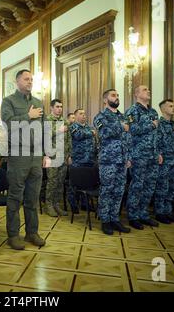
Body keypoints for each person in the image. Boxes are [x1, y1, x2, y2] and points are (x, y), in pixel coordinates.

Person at [1, 69, 48, 250]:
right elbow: (8, 124)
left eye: (31, 79)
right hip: (18, 154)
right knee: (15, 196)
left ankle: (31, 232)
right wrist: (28, 116)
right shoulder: (8, 101)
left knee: (32, 197)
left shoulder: (38, 102)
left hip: (36, 156)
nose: (30, 82)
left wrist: (44, 153)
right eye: (26, 79)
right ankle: (13, 235)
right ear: (17, 81)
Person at [93, 89, 131, 235]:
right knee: (107, 190)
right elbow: (103, 134)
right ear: (105, 100)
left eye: (118, 95)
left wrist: (128, 157)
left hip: (122, 160)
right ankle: (105, 220)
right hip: (108, 159)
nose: (117, 97)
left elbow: (128, 138)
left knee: (119, 190)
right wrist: (120, 126)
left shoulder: (123, 116)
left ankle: (114, 218)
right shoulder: (101, 117)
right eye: (113, 95)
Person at [125, 85, 161, 230]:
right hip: (138, 154)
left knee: (149, 186)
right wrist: (151, 126)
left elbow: (156, 136)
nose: (149, 91)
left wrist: (158, 152)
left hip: (152, 154)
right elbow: (131, 130)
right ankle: (133, 216)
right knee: (137, 185)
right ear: (137, 94)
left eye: (149, 89)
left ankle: (143, 214)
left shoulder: (153, 112)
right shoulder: (132, 111)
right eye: (145, 90)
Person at [153, 99, 174, 223]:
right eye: (170, 106)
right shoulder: (159, 124)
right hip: (164, 160)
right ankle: (160, 212)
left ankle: (168, 211)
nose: (173, 108)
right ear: (163, 109)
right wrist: (158, 154)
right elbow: (156, 141)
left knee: (172, 187)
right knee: (162, 187)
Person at [43, 99, 72, 217]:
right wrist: (58, 130)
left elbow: (69, 139)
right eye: (57, 107)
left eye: (61, 107)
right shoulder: (47, 120)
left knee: (60, 182)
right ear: (51, 108)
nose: (59, 109)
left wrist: (69, 155)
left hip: (63, 157)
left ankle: (56, 204)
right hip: (52, 157)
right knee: (52, 181)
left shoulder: (65, 121)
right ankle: (48, 205)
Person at [67, 108, 98, 213]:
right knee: (74, 184)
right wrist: (91, 133)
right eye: (81, 114)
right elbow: (78, 135)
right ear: (75, 116)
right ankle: (73, 204)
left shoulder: (89, 127)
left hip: (89, 160)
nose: (84, 115)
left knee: (87, 184)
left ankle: (85, 204)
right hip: (77, 159)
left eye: (84, 114)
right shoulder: (73, 126)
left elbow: (95, 141)